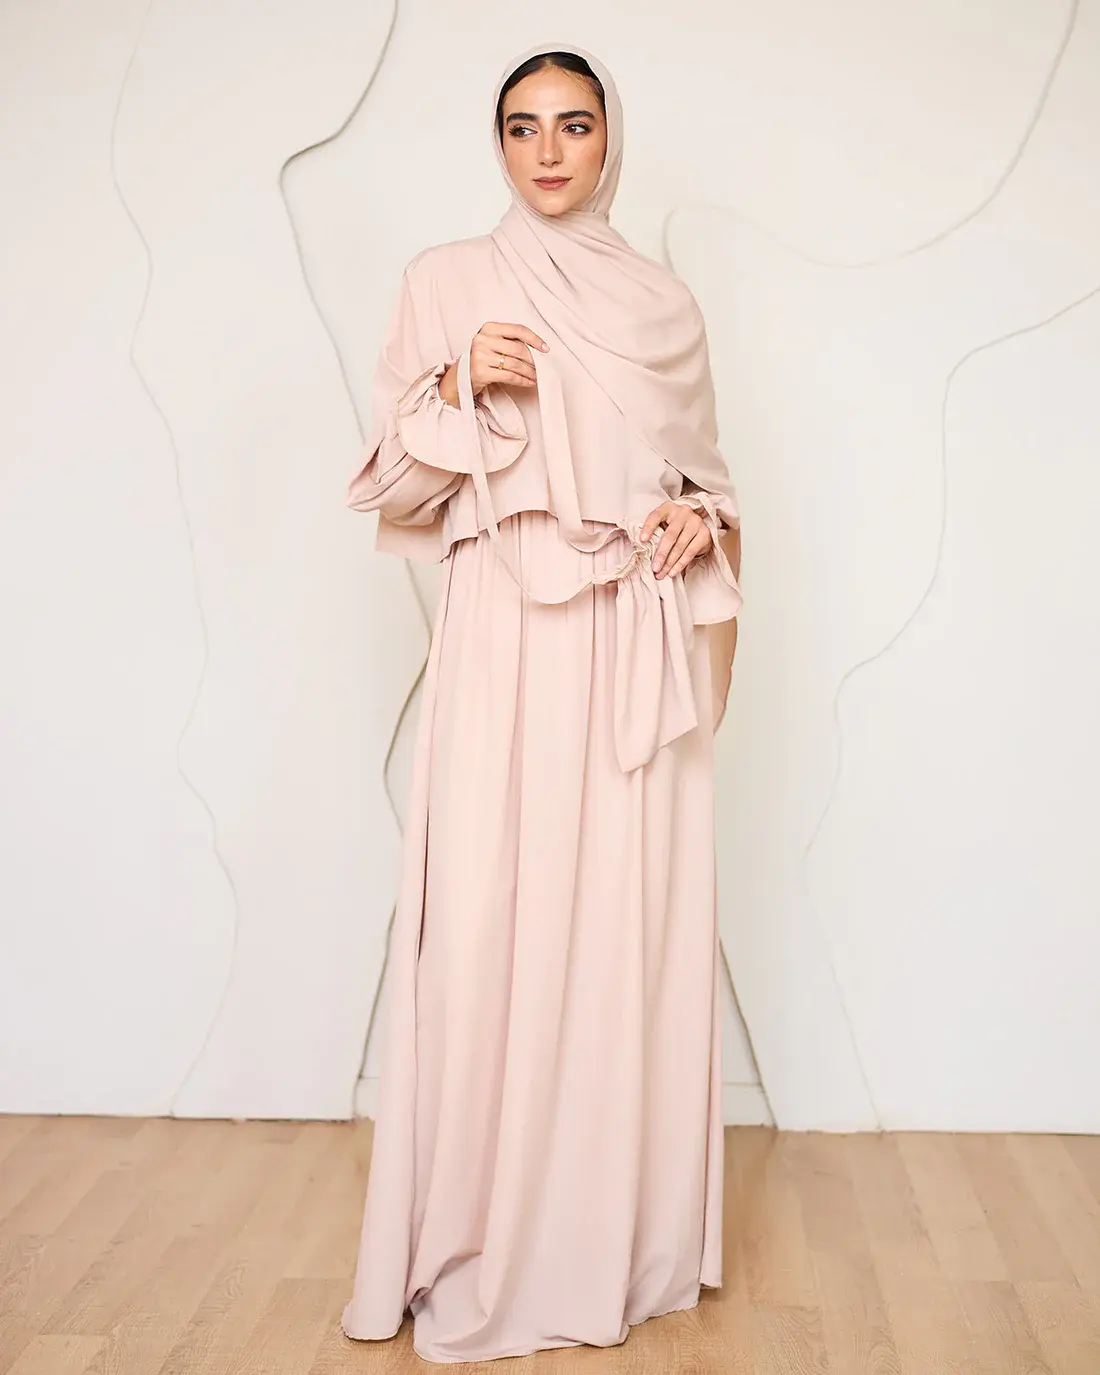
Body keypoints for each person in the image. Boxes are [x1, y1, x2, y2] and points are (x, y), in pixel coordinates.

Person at [340, 40, 743, 1365]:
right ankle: (476, 1230)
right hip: (503, 641)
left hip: (628, 638)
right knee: (487, 921)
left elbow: (708, 486)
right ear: (498, 143)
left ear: (611, 138)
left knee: (618, 923)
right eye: (523, 126)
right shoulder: (446, 281)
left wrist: (694, 522)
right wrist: (460, 382)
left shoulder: (665, 307)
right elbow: (391, 486)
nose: (550, 150)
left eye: (575, 124)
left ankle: (606, 1239)